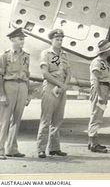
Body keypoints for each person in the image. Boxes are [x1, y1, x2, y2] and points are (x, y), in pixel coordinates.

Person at [36, 29, 71, 159]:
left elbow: (69, 72)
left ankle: (54, 148)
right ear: (51, 40)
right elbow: (45, 73)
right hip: (50, 87)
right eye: (57, 39)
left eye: (61, 39)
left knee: (58, 119)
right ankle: (41, 148)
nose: (60, 41)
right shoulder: (46, 53)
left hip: (62, 88)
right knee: (46, 119)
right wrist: (60, 84)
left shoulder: (64, 55)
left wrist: (65, 85)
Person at [0, 28, 30, 160]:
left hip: (22, 86)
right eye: (20, 38)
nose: (22, 41)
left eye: (23, 38)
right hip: (9, 86)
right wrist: (2, 94)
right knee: (4, 120)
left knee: (17, 119)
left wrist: (28, 94)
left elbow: (27, 75)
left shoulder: (26, 56)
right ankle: (0, 149)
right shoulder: (5, 55)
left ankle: (12, 149)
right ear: (12, 40)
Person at [88, 39, 110, 153]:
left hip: (103, 89)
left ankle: (92, 142)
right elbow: (95, 79)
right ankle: (94, 143)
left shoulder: (103, 62)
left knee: (97, 115)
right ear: (106, 51)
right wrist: (99, 95)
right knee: (96, 116)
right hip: (99, 89)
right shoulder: (97, 62)